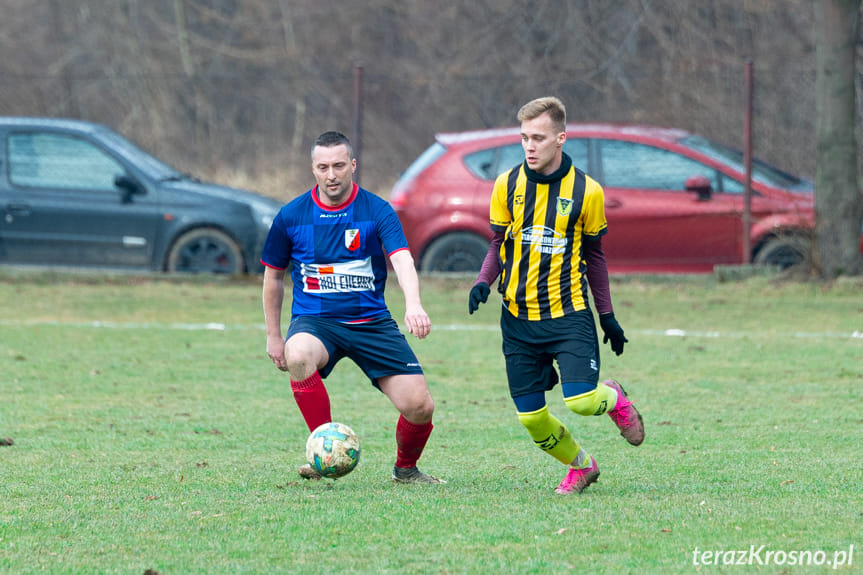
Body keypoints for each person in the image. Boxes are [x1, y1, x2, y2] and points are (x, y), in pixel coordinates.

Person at [467, 97, 644, 495]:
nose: (530, 146)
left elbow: (595, 257)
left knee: (581, 400)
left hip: (569, 313)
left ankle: (613, 397)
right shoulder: (507, 185)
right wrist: (483, 280)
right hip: (517, 318)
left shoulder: (587, 191)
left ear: (561, 139)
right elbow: (498, 241)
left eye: (539, 138)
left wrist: (607, 316)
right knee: (532, 419)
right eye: (524, 138)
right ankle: (581, 466)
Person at [262, 131, 444, 484]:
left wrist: (414, 304)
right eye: (323, 167)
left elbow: (402, 259)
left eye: (339, 166)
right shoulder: (291, 216)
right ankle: (323, 450)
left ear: (353, 166)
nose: (331, 175)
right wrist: (273, 336)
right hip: (316, 322)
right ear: (313, 168)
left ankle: (406, 470)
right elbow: (272, 278)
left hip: (372, 322)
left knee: (420, 407)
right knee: (297, 354)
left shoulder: (377, 210)